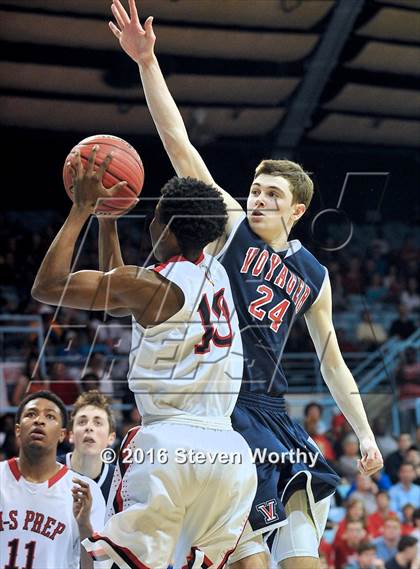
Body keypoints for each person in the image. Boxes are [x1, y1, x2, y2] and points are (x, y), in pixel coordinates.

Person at [108, 2, 385, 567]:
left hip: (274, 411)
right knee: (241, 556)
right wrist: (146, 63)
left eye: (271, 195)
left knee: (304, 551)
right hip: (220, 411)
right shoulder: (231, 226)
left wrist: (366, 432)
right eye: (256, 189)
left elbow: (333, 363)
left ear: (298, 210)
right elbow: (179, 142)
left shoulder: (315, 273)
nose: (257, 199)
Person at [31, 150, 257, 568]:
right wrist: (108, 220)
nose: (150, 222)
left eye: (155, 215)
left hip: (169, 448)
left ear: (165, 226)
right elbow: (120, 299)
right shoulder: (217, 271)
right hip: (230, 455)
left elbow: (48, 286)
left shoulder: (150, 285)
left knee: (118, 562)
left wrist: (82, 209)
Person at [0, 390, 105, 569]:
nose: (39, 420)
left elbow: (96, 566)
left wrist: (85, 526)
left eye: (50, 416)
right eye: (31, 414)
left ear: (62, 434)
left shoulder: (85, 491)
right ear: (18, 429)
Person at [57, 390, 116, 503]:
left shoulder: (119, 482)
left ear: (111, 437)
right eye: (82, 422)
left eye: (98, 423)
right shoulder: (50, 471)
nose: (89, 427)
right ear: (71, 435)